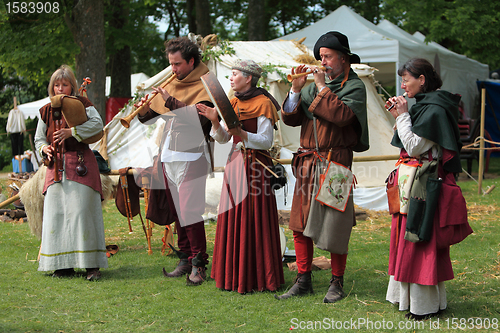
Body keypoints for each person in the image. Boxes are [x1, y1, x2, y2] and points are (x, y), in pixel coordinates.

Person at [275, 31, 369, 303]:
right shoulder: (309, 87)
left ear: (344, 58)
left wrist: (320, 86)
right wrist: (295, 89)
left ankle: (336, 282)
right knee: (299, 222)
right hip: (307, 162)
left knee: (336, 224)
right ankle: (303, 279)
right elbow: (291, 118)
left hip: (336, 164)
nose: (323, 62)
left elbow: (341, 116)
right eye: (320, 57)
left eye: (327, 56)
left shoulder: (355, 86)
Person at [384, 58, 472, 320]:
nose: (403, 85)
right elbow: (407, 138)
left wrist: (402, 116)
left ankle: (424, 305)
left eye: (406, 79)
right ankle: (410, 300)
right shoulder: (424, 106)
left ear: (421, 80)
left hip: (424, 184)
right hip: (412, 183)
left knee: (421, 239)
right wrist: (400, 117)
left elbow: (413, 146)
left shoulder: (434, 109)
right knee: (409, 237)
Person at [197, 59, 284, 293]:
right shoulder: (232, 102)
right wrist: (215, 120)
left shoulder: (264, 103)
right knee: (234, 218)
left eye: (235, 74)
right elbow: (224, 139)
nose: (231, 78)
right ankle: (234, 275)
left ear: (248, 78)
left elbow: (266, 141)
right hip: (235, 164)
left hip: (256, 167)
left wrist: (242, 133)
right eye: (230, 75)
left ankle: (258, 277)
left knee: (255, 219)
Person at [135, 36, 213, 285]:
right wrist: (143, 109)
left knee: (190, 212)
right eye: (171, 64)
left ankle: (199, 264)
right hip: (168, 156)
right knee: (179, 214)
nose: (173, 69)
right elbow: (148, 119)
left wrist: (169, 100)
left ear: (191, 61)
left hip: (193, 156)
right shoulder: (174, 82)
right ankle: (185, 259)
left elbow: (200, 121)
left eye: (178, 64)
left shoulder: (206, 85)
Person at [35, 65, 107, 281]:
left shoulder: (82, 104)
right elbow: (39, 138)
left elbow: (97, 125)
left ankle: (91, 265)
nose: (60, 88)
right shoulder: (46, 110)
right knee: (56, 215)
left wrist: (72, 132)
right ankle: (62, 264)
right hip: (55, 167)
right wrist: (43, 148)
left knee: (81, 214)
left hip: (80, 164)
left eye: (64, 84)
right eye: (56, 85)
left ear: (72, 86)